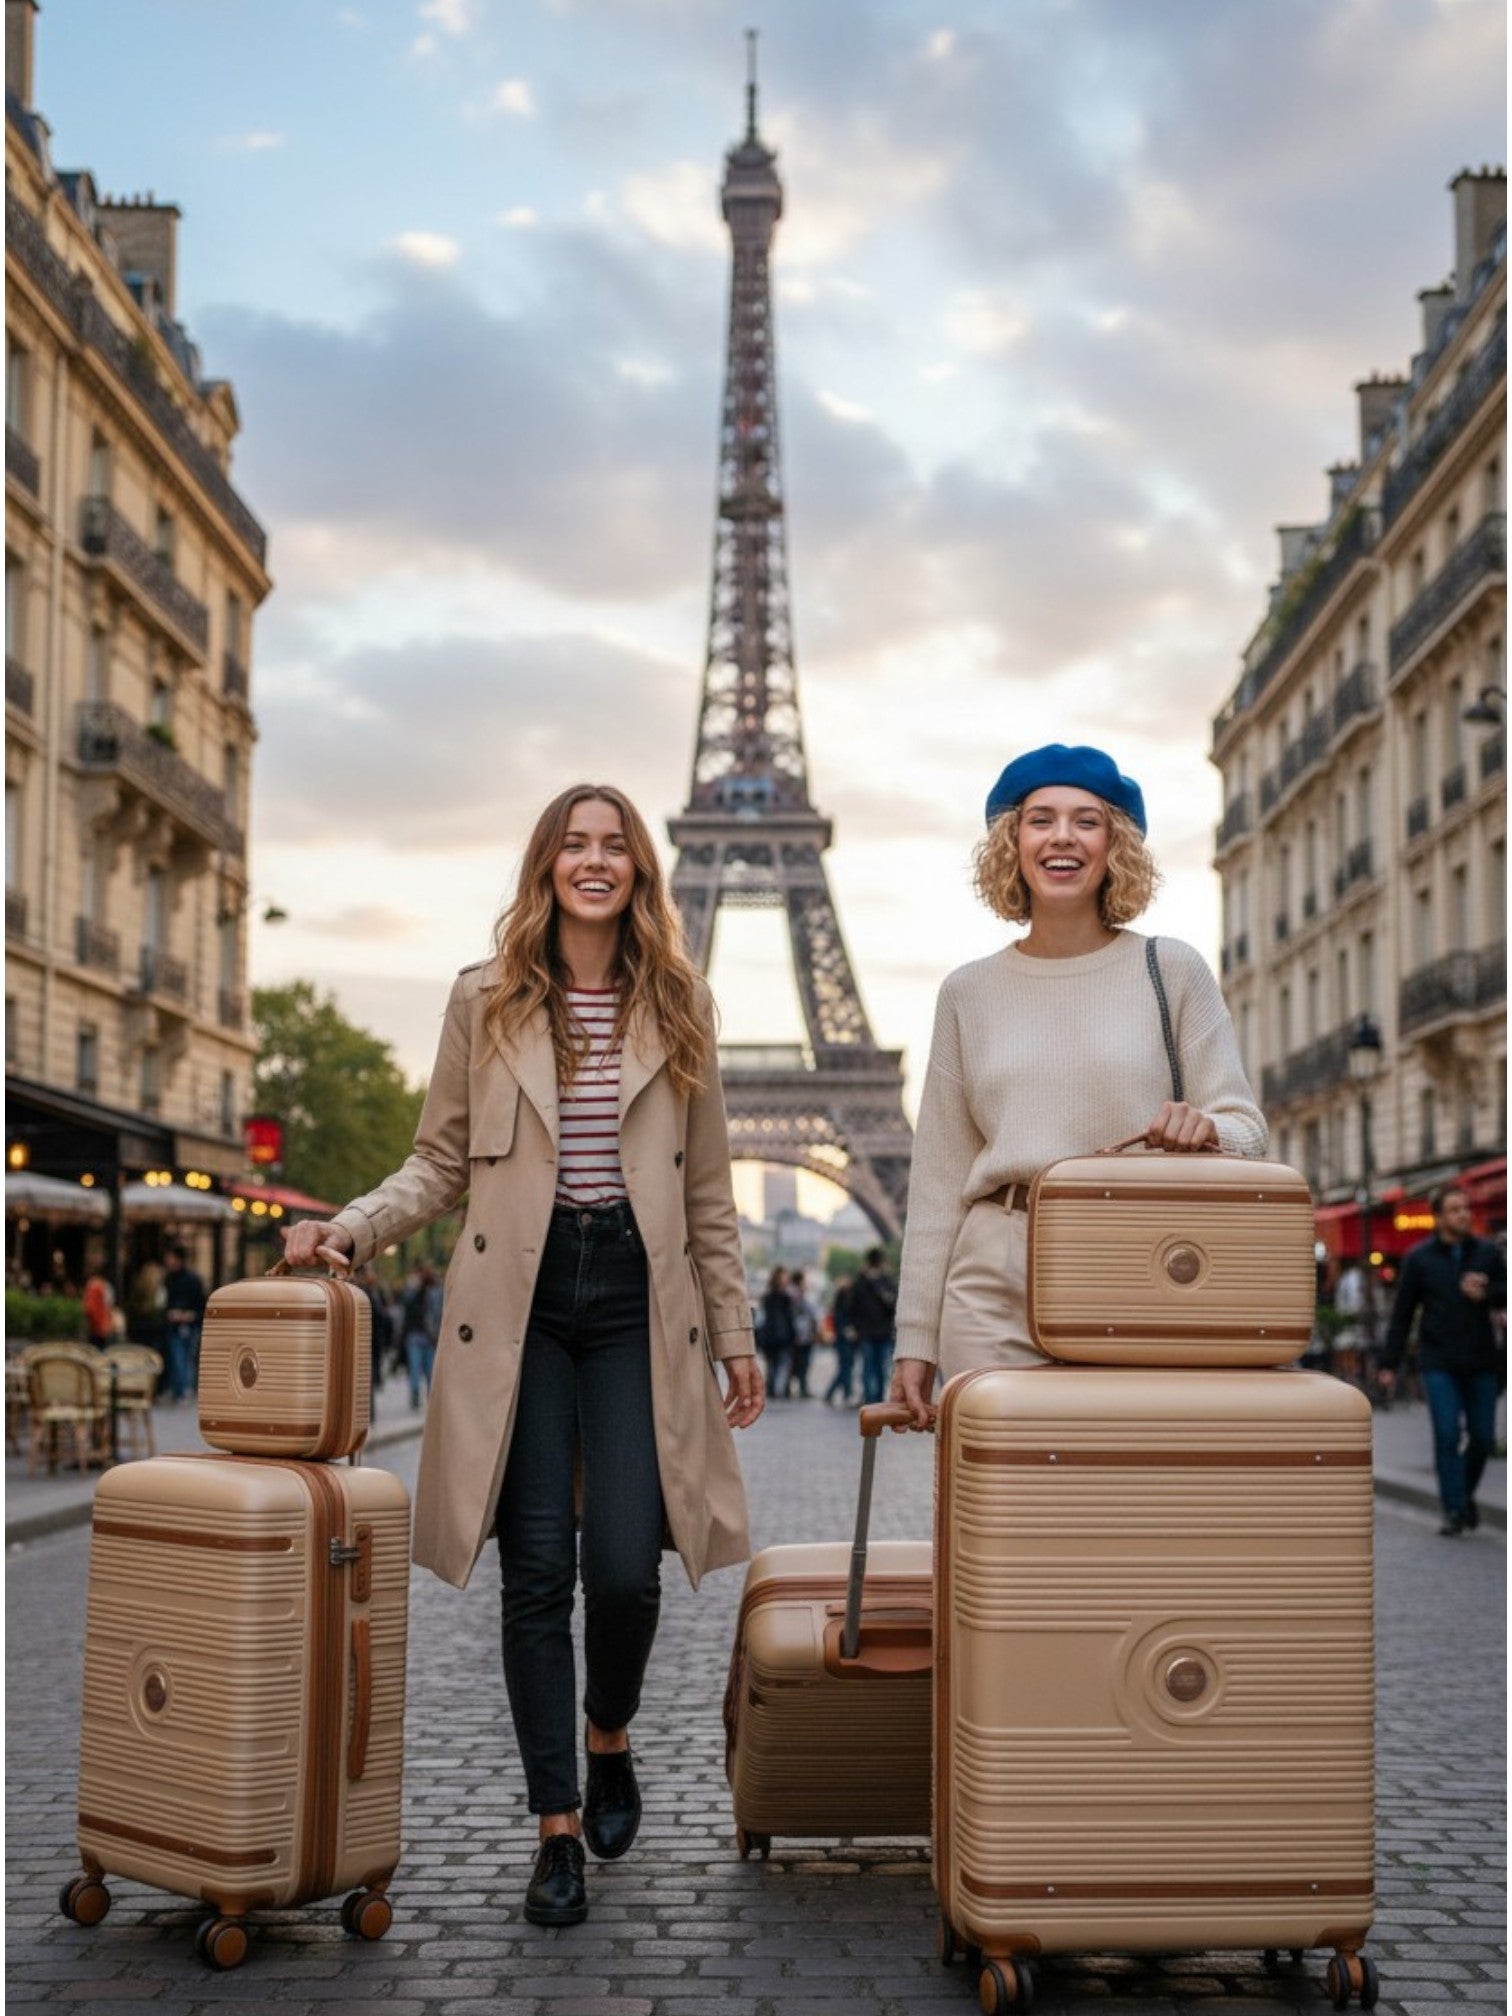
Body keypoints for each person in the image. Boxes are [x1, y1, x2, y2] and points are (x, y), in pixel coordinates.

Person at [281, 783, 764, 1929]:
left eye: (614, 848)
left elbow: (708, 1198)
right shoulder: (483, 1001)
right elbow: (438, 1163)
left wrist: (735, 1339)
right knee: (537, 1566)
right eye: (572, 846)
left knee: (630, 1572)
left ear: (642, 872)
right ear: (546, 866)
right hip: (523, 1306)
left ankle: (610, 1736)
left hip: (637, 1303)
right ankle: (556, 1827)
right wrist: (349, 1225)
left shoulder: (682, 1004)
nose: (593, 863)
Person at [891, 744, 1267, 1425]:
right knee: (1001, 1498)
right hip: (993, 1268)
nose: (1062, 836)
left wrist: (1207, 1129)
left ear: (1114, 844)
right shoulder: (966, 992)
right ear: (1012, 843)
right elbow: (938, 1181)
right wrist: (914, 1338)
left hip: (1136, 1256)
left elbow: (1248, 1127)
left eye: (1085, 820)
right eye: (1040, 819)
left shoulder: (1172, 970)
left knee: (1119, 1490)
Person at [1378, 1185, 1507, 1536]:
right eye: (1454, 1209)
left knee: (1482, 1438)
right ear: (1438, 1217)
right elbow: (1403, 1314)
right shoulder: (1419, 1258)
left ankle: (1463, 1496)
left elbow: (1504, 1295)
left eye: (1465, 1208)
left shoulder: (1486, 1253)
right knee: (1447, 1433)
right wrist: (1389, 1364)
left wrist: (1488, 1291)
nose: (1463, 1214)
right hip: (1438, 1361)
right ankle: (1453, 1510)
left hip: (1482, 1359)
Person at [851, 1247, 898, 1404]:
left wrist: (856, 1327)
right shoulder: (886, 1281)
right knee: (879, 1368)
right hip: (882, 1331)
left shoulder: (859, 1281)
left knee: (868, 1367)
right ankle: (876, 1399)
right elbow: (893, 1305)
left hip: (867, 1331)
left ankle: (869, 1399)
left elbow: (851, 1307)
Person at [161, 1243, 207, 1402]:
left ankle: (184, 1389)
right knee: (177, 1356)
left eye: (170, 1257)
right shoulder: (168, 1279)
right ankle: (179, 1389)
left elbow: (200, 1304)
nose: (168, 1261)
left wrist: (188, 1315)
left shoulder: (192, 1280)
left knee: (186, 1357)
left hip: (190, 1325)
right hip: (173, 1326)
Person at [399, 1264, 442, 1410]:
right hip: (417, 1337)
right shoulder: (413, 1294)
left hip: (426, 1337)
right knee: (417, 1369)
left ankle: (428, 1397)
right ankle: (416, 1396)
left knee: (427, 1369)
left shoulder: (434, 1294)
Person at [758, 1266, 796, 1400]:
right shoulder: (780, 1297)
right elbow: (787, 1318)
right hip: (776, 1336)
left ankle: (775, 1389)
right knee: (777, 1364)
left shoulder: (772, 1297)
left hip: (776, 1336)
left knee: (776, 1365)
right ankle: (776, 1390)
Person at [825, 1273, 858, 1406]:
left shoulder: (840, 1302)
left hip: (841, 1340)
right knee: (846, 1367)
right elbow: (842, 1322)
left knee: (845, 1367)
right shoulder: (844, 1302)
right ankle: (844, 1394)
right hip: (844, 1340)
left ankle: (833, 1393)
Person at [788, 1267, 819, 1397]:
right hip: (800, 1336)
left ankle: (797, 1387)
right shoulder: (796, 1296)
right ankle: (801, 1388)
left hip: (801, 1335)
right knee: (801, 1364)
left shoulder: (796, 1295)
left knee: (798, 1364)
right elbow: (806, 1315)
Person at [82, 1266, 116, 1348]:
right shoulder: (106, 1286)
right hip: (103, 1328)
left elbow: (88, 1308)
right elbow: (109, 1305)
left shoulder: (91, 1286)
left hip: (95, 1328)